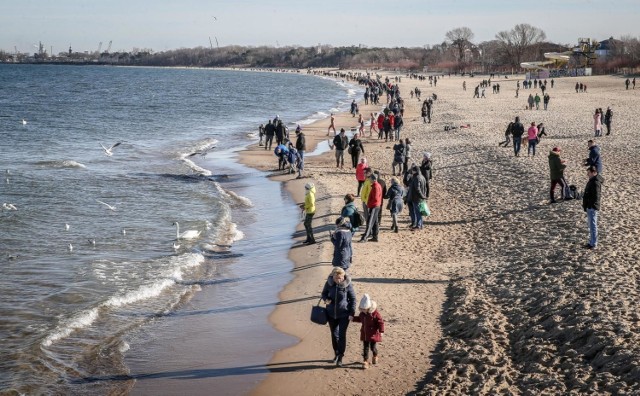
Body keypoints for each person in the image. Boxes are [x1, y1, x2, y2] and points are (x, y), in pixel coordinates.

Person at [321, 267, 356, 367]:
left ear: (343, 276)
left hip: (344, 314)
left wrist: (352, 313)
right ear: (333, 277)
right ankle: (336, 353)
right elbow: (323, 294)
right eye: (336, 278)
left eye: (340, 278)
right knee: (334, 335)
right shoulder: (329, 283)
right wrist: (326, 299)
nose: (339, 280)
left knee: (341, 335)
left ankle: (340, 357)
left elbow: (353, 299)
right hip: (331, 314)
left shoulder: (348, 285)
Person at [352, 294, 385, 369]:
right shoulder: (362, 314)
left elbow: (381, 322)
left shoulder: (375, 314)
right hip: (365, 333)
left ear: (368, 307)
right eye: (362, 309)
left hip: (373, 334)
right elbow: (360, 319)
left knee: (373, 347)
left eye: (364, 309)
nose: (363, 310)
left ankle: (375, 356)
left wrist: (381, 331)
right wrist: (353, 319)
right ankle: (365, 361)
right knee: (365, 347)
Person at [582, 166, 604, 250]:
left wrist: (590, 205)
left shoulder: (595, 182)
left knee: (593, 225)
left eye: (589, 173)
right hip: (590, 206)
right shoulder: (593, 180)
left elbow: (596, 196)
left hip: (592, 207)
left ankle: (594, 243)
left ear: (594, 172)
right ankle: (591, 242)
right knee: (591, 226)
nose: (588, 174)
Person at [360, 173, 382, 242]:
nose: (369, 180)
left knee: (370, 222)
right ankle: (375, 237)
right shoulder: (378, 185)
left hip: (374, 206)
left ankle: (364, 238)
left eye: (370, 179)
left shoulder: (375, 186)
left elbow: (375, 198)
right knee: (375, 222)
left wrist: (369, 204)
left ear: (373, 179)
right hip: (376, 206)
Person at [406, 165, 428, 230]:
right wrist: (423, 196)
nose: (412, 171)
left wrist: (422, 196)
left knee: (417, 212)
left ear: (415, 171)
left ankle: (418, 225)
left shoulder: (416, 178)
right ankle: (420, 225)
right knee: (419, 212)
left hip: (416, 198)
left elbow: (417, 189)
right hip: (419, 197)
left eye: (412, 170)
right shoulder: (422, 177)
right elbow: (424, 187)